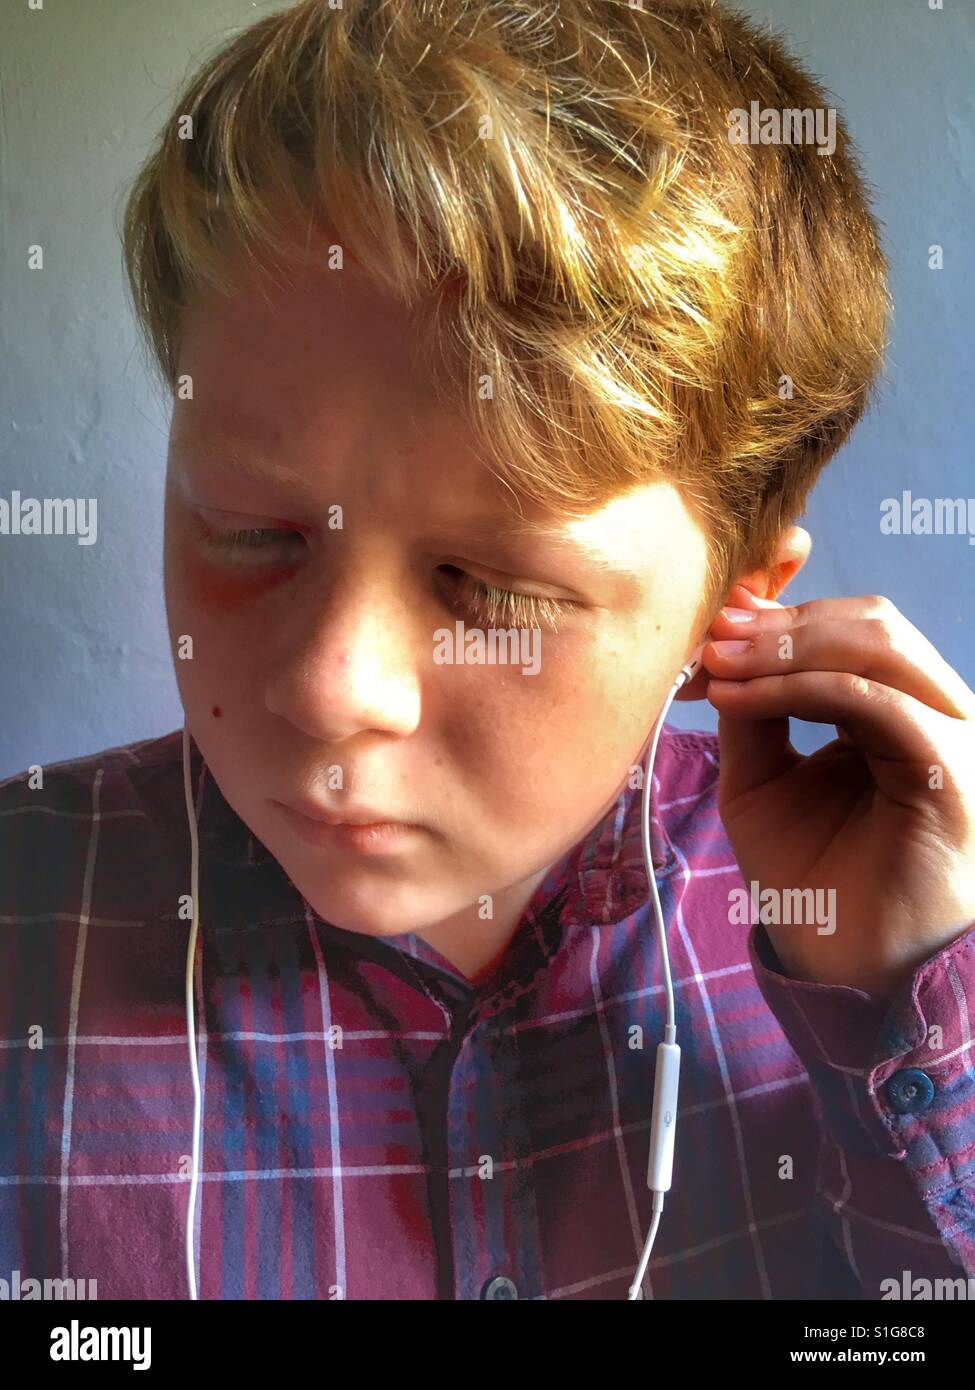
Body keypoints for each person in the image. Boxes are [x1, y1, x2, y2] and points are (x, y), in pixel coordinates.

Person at [2, 0, 973, 1300]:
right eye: (250, 533)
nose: (325, 688)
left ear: (725, 612)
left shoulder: (843, 932)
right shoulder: (27, 914)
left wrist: (900, 990)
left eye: (492, 584)